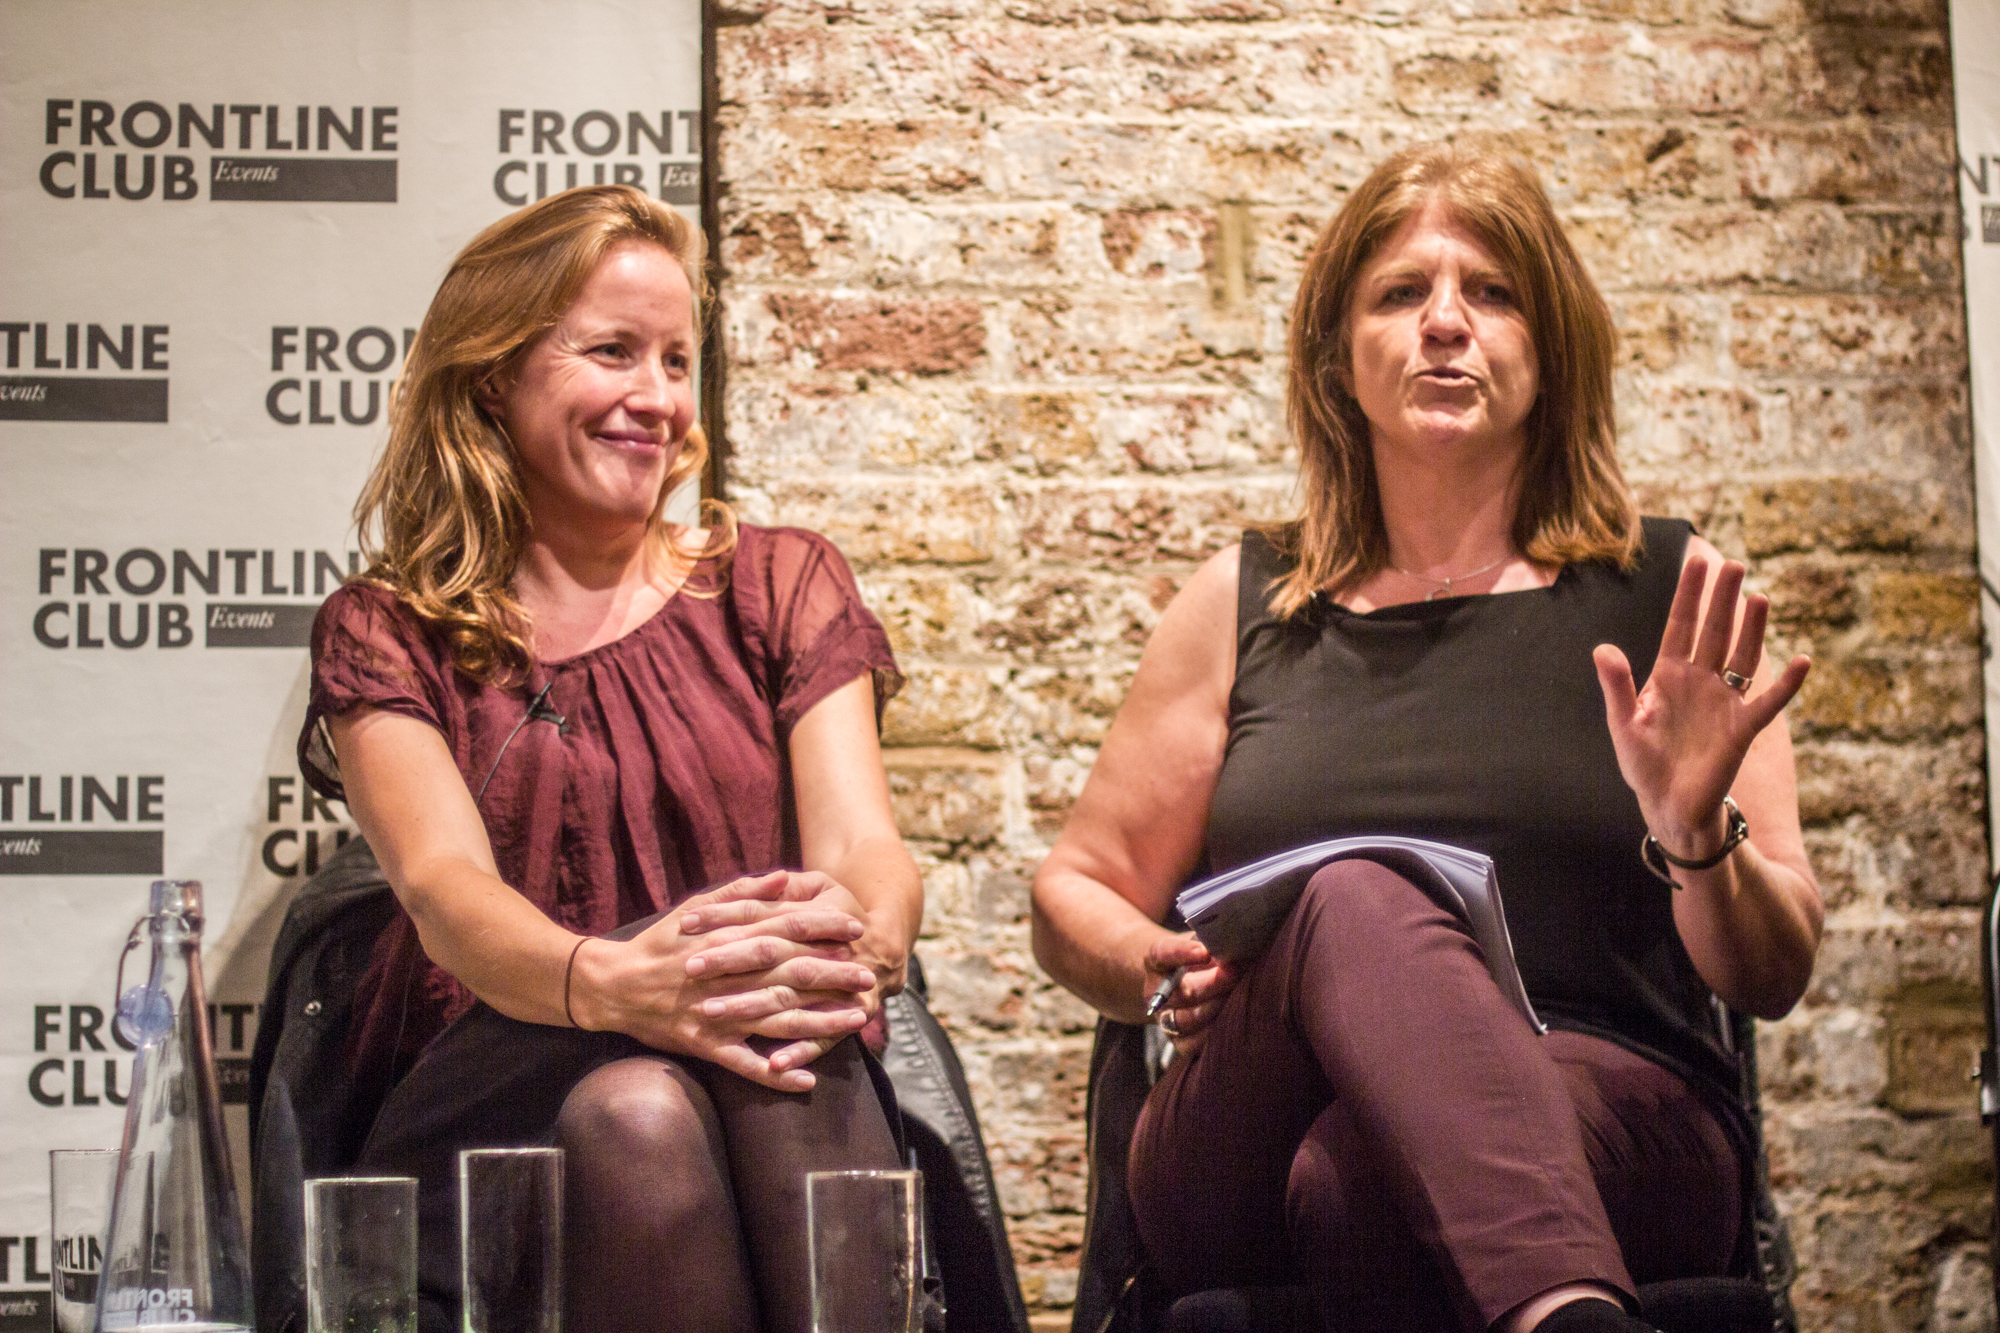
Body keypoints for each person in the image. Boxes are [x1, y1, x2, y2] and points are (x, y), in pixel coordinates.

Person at [1031, 143, 1822, 1333]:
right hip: (1248, 1127)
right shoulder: (1242, 604)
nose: (1444, 322)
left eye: (1490, 292)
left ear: (1549, 347)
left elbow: (1772, 972)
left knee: (1359, 1180)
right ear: (1337, 356)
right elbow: (1073, 889)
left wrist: (1693, 833)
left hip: (1608, 1108)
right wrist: (1155, 965)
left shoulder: (1666, 594)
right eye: (1399, 293)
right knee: (1351, 895)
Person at [297, 184, 923, 1333]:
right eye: (612, 352)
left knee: (693, 1071)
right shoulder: (387, 629)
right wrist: (617, 984)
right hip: (500, 1096)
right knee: (669, 1074)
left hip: (758, 1067)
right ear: (494, 374)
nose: (658, 398)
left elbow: (862, 846)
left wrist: (857, 944)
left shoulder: (778, 583)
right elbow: (444, 890)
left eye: (677, 361)